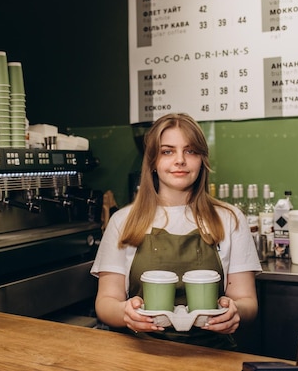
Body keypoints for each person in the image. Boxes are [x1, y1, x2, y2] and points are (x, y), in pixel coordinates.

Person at [90, 113, 262, 349]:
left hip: (212, 354)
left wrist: (235, 311)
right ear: (152, 161)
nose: (180, 160)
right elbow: (106, 302)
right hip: (140, 354)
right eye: (167, 151)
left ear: (202, 159)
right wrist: (125, 313)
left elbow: (247, 302)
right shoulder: (123, 221)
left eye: (191, 151)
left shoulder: (230, 219)